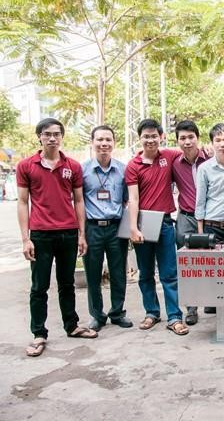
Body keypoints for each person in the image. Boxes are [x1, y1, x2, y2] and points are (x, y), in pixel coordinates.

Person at [17, 118, 97, 357]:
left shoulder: (72, 166)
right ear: (39, 137)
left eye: (56, 134)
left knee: (67, 284)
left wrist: (82, 234)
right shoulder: (26, 166)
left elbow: (79, 200)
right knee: (39, 287)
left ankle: (71, 326)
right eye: (47, 134)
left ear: (62, 137)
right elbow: (22, 202)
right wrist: (25, 238)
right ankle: (39, 334)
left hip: (68, 233)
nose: (52, 138)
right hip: (40, 235)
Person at [125, 118, 189, 336]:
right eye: (146, 136)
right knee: (145, 273)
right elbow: (133, 198)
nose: (150, 140)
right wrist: (133, 228)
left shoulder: (168, 157)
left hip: (164, 223)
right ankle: (151, 312)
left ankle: (174, 317)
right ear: (140, 138)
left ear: (161, 137)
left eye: (154, 136)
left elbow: (189, 151)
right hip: (143, 224)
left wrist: (206, 148)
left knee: (169, 273)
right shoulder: (133, 166)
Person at [81, 125, 132, 332]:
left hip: (116, 227)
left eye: (108, 140)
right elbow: (76, 201)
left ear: (114, 143)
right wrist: (80, 233)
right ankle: (97, 315)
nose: (104, 144)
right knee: (92, 274)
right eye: (100, 140)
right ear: (92, 143)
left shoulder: (123, 169)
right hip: (92, 227)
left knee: (118, 272)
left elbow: (128, 200)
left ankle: (117, 312)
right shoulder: (82, 170)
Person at [172, 120, 208, 325]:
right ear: (177, 141)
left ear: (198, 138)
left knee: (213, 261)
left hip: (210, 217)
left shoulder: (210, 158)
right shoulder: (174, 163)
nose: (187, 142)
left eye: (191, 137)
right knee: (188, 264)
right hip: (186, 216)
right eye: (182, 138)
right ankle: (192, 308)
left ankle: (216, 302)